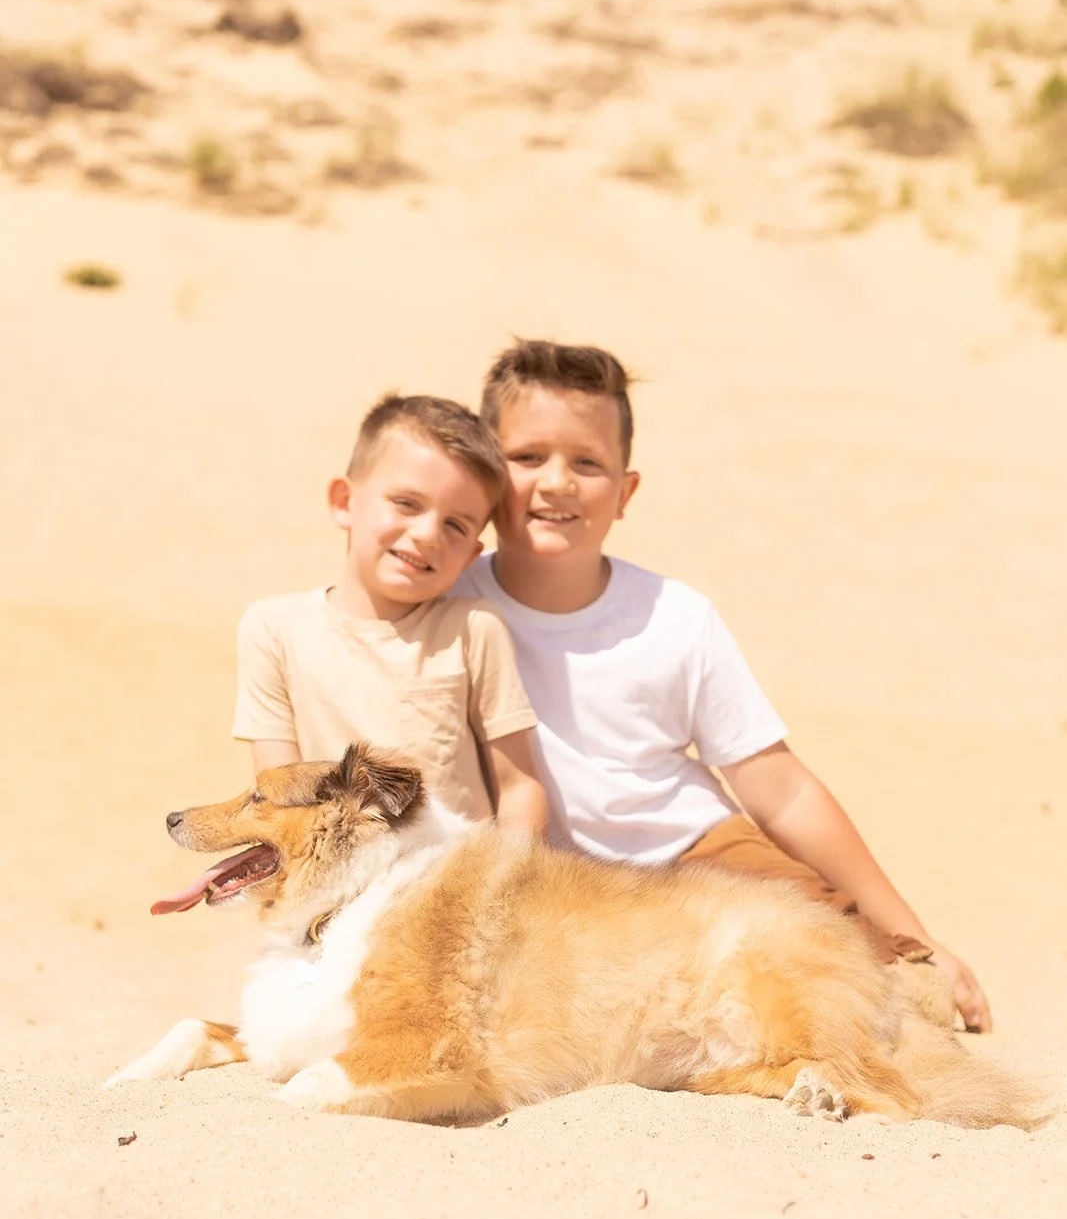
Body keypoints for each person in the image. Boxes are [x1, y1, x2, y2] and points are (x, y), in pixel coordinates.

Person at [452, 340, 990, 1031]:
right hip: (560, 886)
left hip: (695, 853)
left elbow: (780, 786)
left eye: (587, 462)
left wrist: (917, 937)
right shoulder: (451, 606)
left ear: (625, 492)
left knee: (849, 957)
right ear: (488, 473)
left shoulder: (673, 616)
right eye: (527, 458)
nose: (557, 482)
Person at [233, 392, 547, 833]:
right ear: (345, 501)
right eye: (406, 504)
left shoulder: (473, 629)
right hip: (338, 890)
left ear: (472, 553)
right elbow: (282, 800)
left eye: (456, 525)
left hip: (460, 890)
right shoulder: (274, 630)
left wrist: (509, 888)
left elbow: (519, 786)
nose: (427, 534)